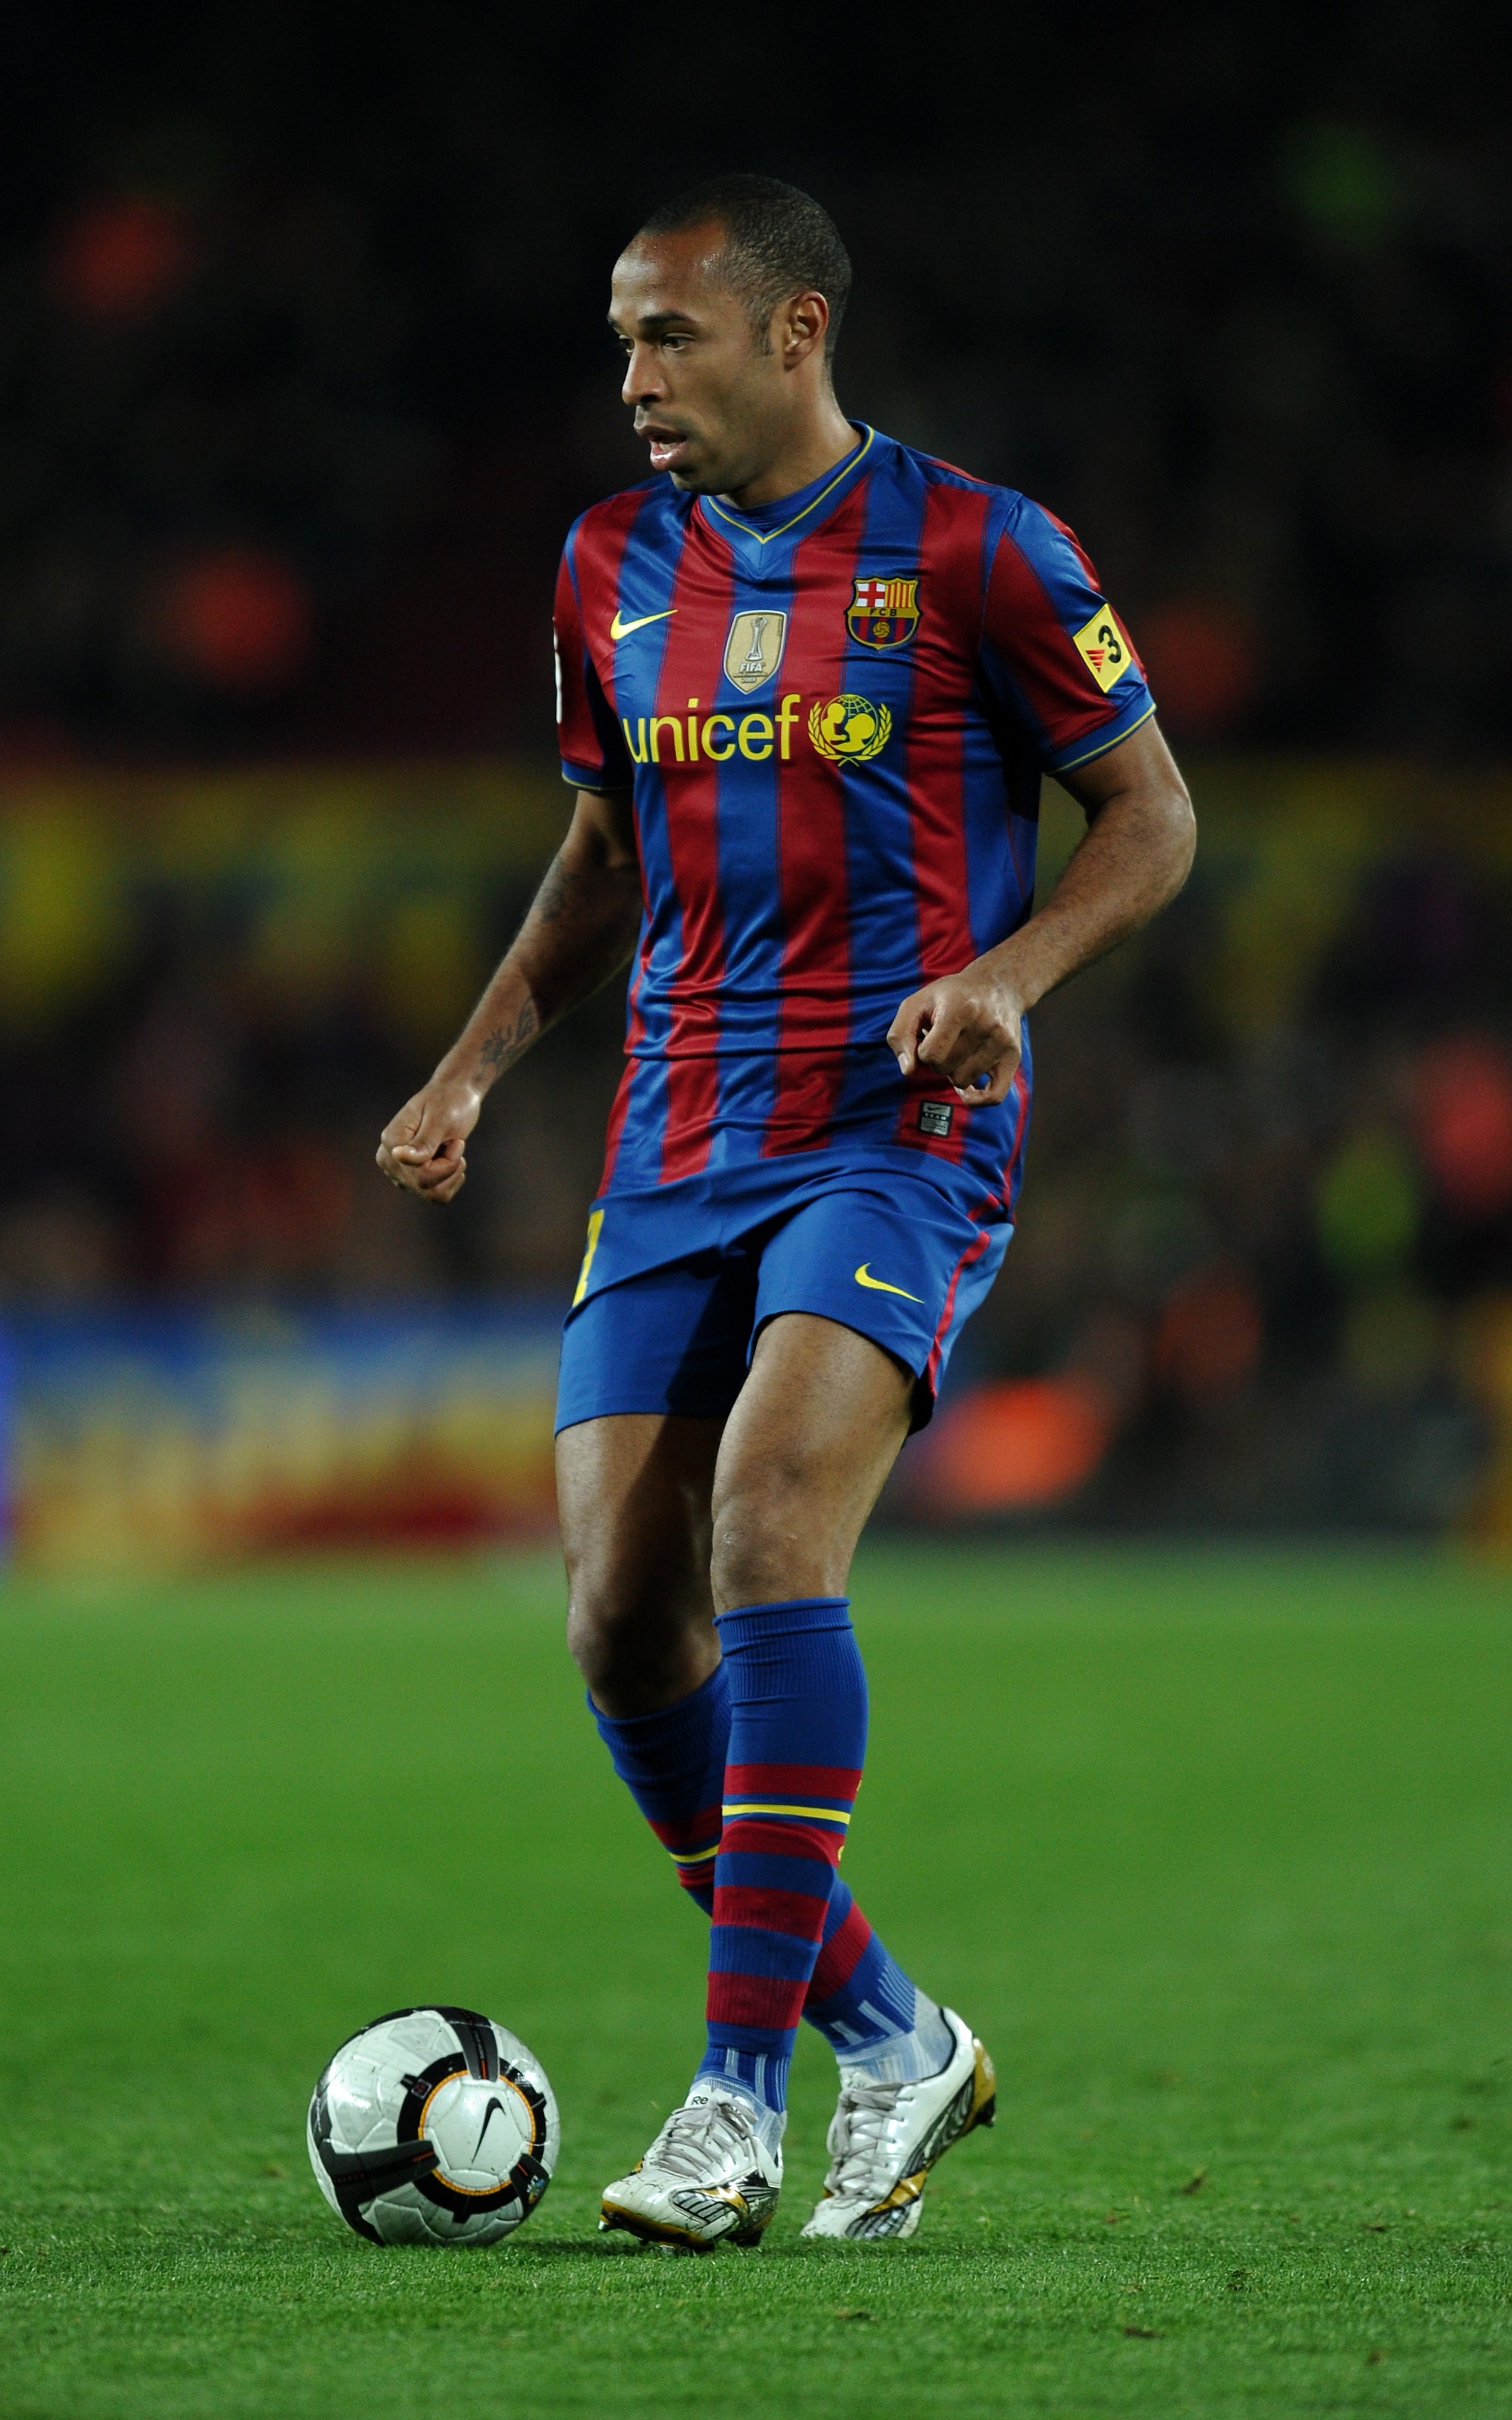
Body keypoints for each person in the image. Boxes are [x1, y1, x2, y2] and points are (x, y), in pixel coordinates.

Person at [378, 173, 1195, 2250]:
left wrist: (1007, 981)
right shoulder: (604, 565)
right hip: (667, 1138)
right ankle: (896, 2035)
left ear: (796, 332)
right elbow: (597, 859)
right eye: (620, 338)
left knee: (761, 1527)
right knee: (617, 1622)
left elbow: (1153, 813)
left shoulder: (978, 547)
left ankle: (734, 2099)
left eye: (671, 335)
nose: (634, 377)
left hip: (893, 1127)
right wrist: (474, 1060)